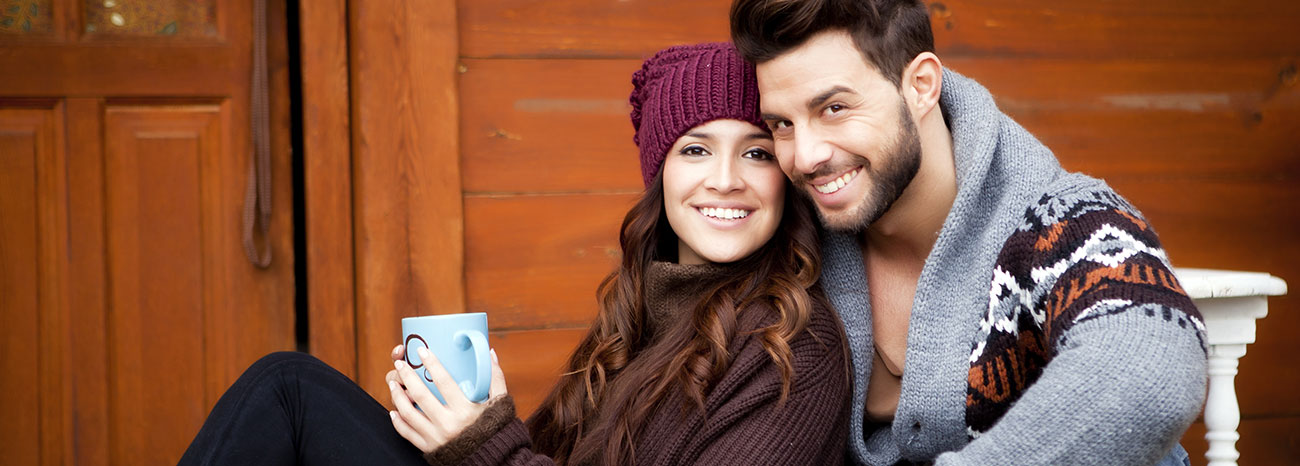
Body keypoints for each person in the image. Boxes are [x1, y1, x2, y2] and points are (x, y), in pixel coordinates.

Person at [179, 42, 850, 466]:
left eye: (757, 152)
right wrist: (446, 420)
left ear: (785, 178)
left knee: (288, 392)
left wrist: (485, 442)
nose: (726, 178)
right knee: (292, 394)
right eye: (696, 150)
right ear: (661, 175)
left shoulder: (795, 348)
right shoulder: (641, 314)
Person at [727, 1, 1207, 465]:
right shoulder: (793, 236)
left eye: (833, 108)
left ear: (921, 85)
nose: (806, 155)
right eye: (782, 124)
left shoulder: (1065, 219)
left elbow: (1148, 371)